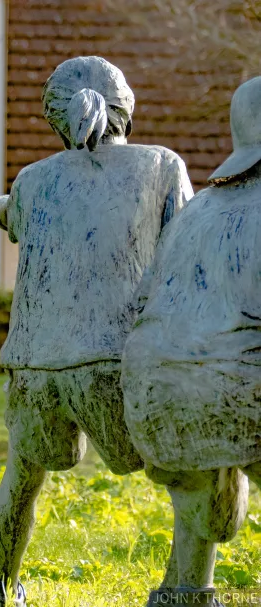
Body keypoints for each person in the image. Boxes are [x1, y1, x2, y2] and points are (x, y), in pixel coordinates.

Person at [0, 57, 193, 606]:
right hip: (116, 357)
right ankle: (185, 586)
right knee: (184, 469)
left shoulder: (30, 180)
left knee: (21, 480)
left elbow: (21, 220)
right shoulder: (162, 166)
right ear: (126, 107)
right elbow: (184, 251)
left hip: (35, 363)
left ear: (55, 117)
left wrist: (9, 208)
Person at [122, 76, 261, 607]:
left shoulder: (196, 212)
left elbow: (145, 301)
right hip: (236, 387)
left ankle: (185, 590)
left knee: (201, 469)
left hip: (155, 392)